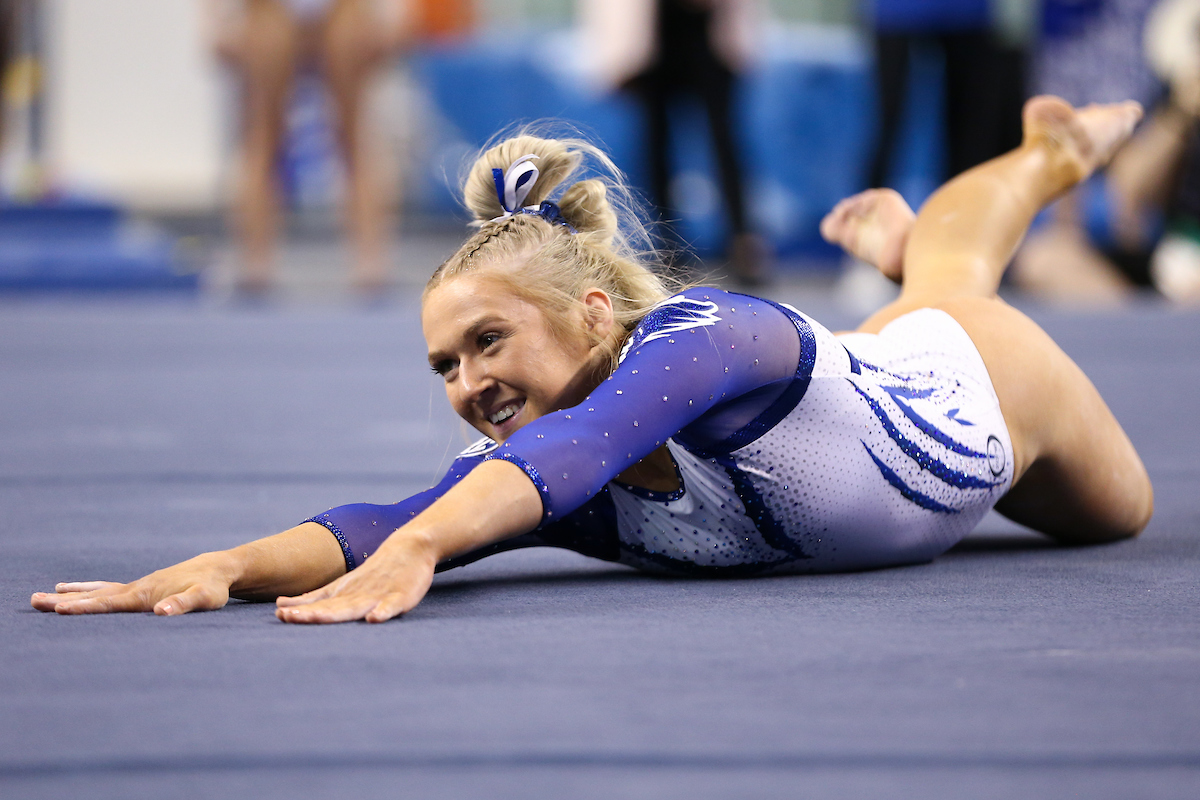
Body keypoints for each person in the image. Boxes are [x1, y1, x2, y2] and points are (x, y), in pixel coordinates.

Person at [32, 97, 1153, 624]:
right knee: (927, 292)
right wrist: (223, 564)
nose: (466, 385)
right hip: (850, 403)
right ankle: (920, 258)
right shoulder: (560, 489)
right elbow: (378, 518)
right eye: (443, 368)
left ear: (596, 312)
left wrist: (425, 544)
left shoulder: (708, 335)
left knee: (961, 292)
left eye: (485, 341)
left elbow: (580, 441)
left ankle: (1048, 151)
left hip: (979, 385)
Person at [207, 0, 411, 294]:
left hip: (343, 9)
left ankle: (372, 262)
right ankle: (254, 262)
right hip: (270, 9)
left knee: (354, 135)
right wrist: (216, 20)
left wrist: (393, 14)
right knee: (264, 134)